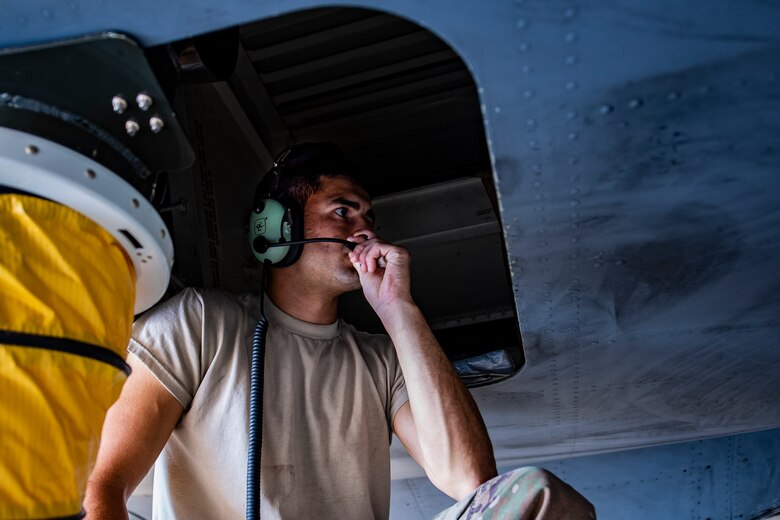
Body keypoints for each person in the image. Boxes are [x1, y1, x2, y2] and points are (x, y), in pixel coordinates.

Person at [84, 142, 594, 519]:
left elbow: (469, 479)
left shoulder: (380, 360)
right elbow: (103, 486)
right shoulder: (201, 323)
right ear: (277, 230)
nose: (364, 231)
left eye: (369, 217)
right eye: (343, 211)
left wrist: (399, 310)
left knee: (536, 495)